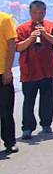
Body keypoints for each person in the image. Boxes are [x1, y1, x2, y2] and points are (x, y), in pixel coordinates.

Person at [16, 1, 53, 140]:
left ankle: (46, 124)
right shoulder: (22, 28)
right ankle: (27, 127)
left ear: (45, 12)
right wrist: (31, 38)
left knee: (47, 99)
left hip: (47, 69)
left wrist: (45, 34)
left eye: (41, 13)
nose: (38, 15)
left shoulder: (51, 25)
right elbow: (18, 47)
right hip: (29, 69)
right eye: (35, 13)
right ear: (30, 13)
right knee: (29, 100)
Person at [0, 10, 18, 153]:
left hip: (2, 73)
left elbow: (11, 45)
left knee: (6, 111)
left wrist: (8, 70)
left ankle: (9, 141)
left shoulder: (5, 19)